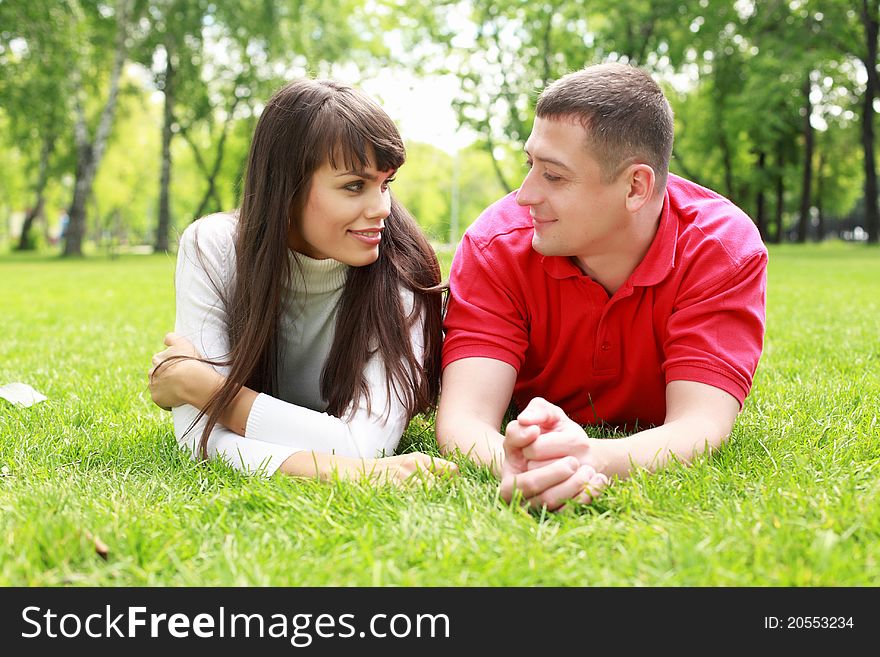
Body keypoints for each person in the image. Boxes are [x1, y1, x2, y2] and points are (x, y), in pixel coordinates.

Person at [436, 63, 767, 510]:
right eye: (529, 164)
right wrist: (511, 463)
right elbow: (464, 419)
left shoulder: (721, 249)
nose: (524, 195)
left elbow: (699, 424)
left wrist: (589, 457)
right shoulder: (494, 246)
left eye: (553, 175)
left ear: (636, 186)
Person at [148, 79, 457, 485]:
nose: (382, 207)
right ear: (286, 186)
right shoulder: (214, 247)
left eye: (385, 185)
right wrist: (345, 471)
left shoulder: (403, 268)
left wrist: (199, 387)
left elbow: (366, 446)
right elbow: (197, 435)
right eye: (354, 186)